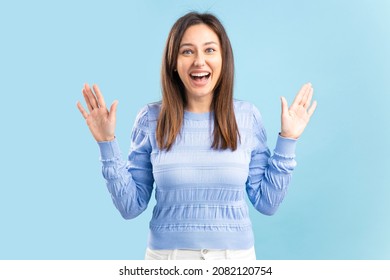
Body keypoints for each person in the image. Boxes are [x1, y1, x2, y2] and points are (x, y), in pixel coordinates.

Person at [76, 12, 317, 260]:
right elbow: (130, 207)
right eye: (187, 51)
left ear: (224, 59)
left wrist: (287, 140)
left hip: (234, 261)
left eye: (210, 50)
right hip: (166, 260)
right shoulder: (150, 119)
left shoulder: (246, 117)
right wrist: (106, 143)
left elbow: (267, 203)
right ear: (173, 61)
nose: (199, 61)